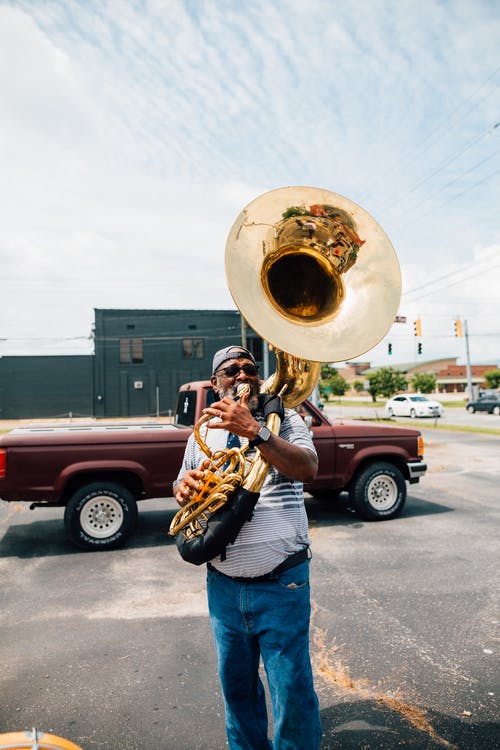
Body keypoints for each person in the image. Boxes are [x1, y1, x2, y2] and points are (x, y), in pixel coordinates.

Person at [173, 345, 323, 750]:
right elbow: (183, 480)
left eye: (249, 369)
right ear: (216, 382)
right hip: (223, 585)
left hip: (282, 584)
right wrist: (182, 488)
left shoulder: (284, 418)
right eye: (230, 371)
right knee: (237, 690)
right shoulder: (204, 430)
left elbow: (307, 468)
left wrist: (256, 431)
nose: (242, 375)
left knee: (291, 689)